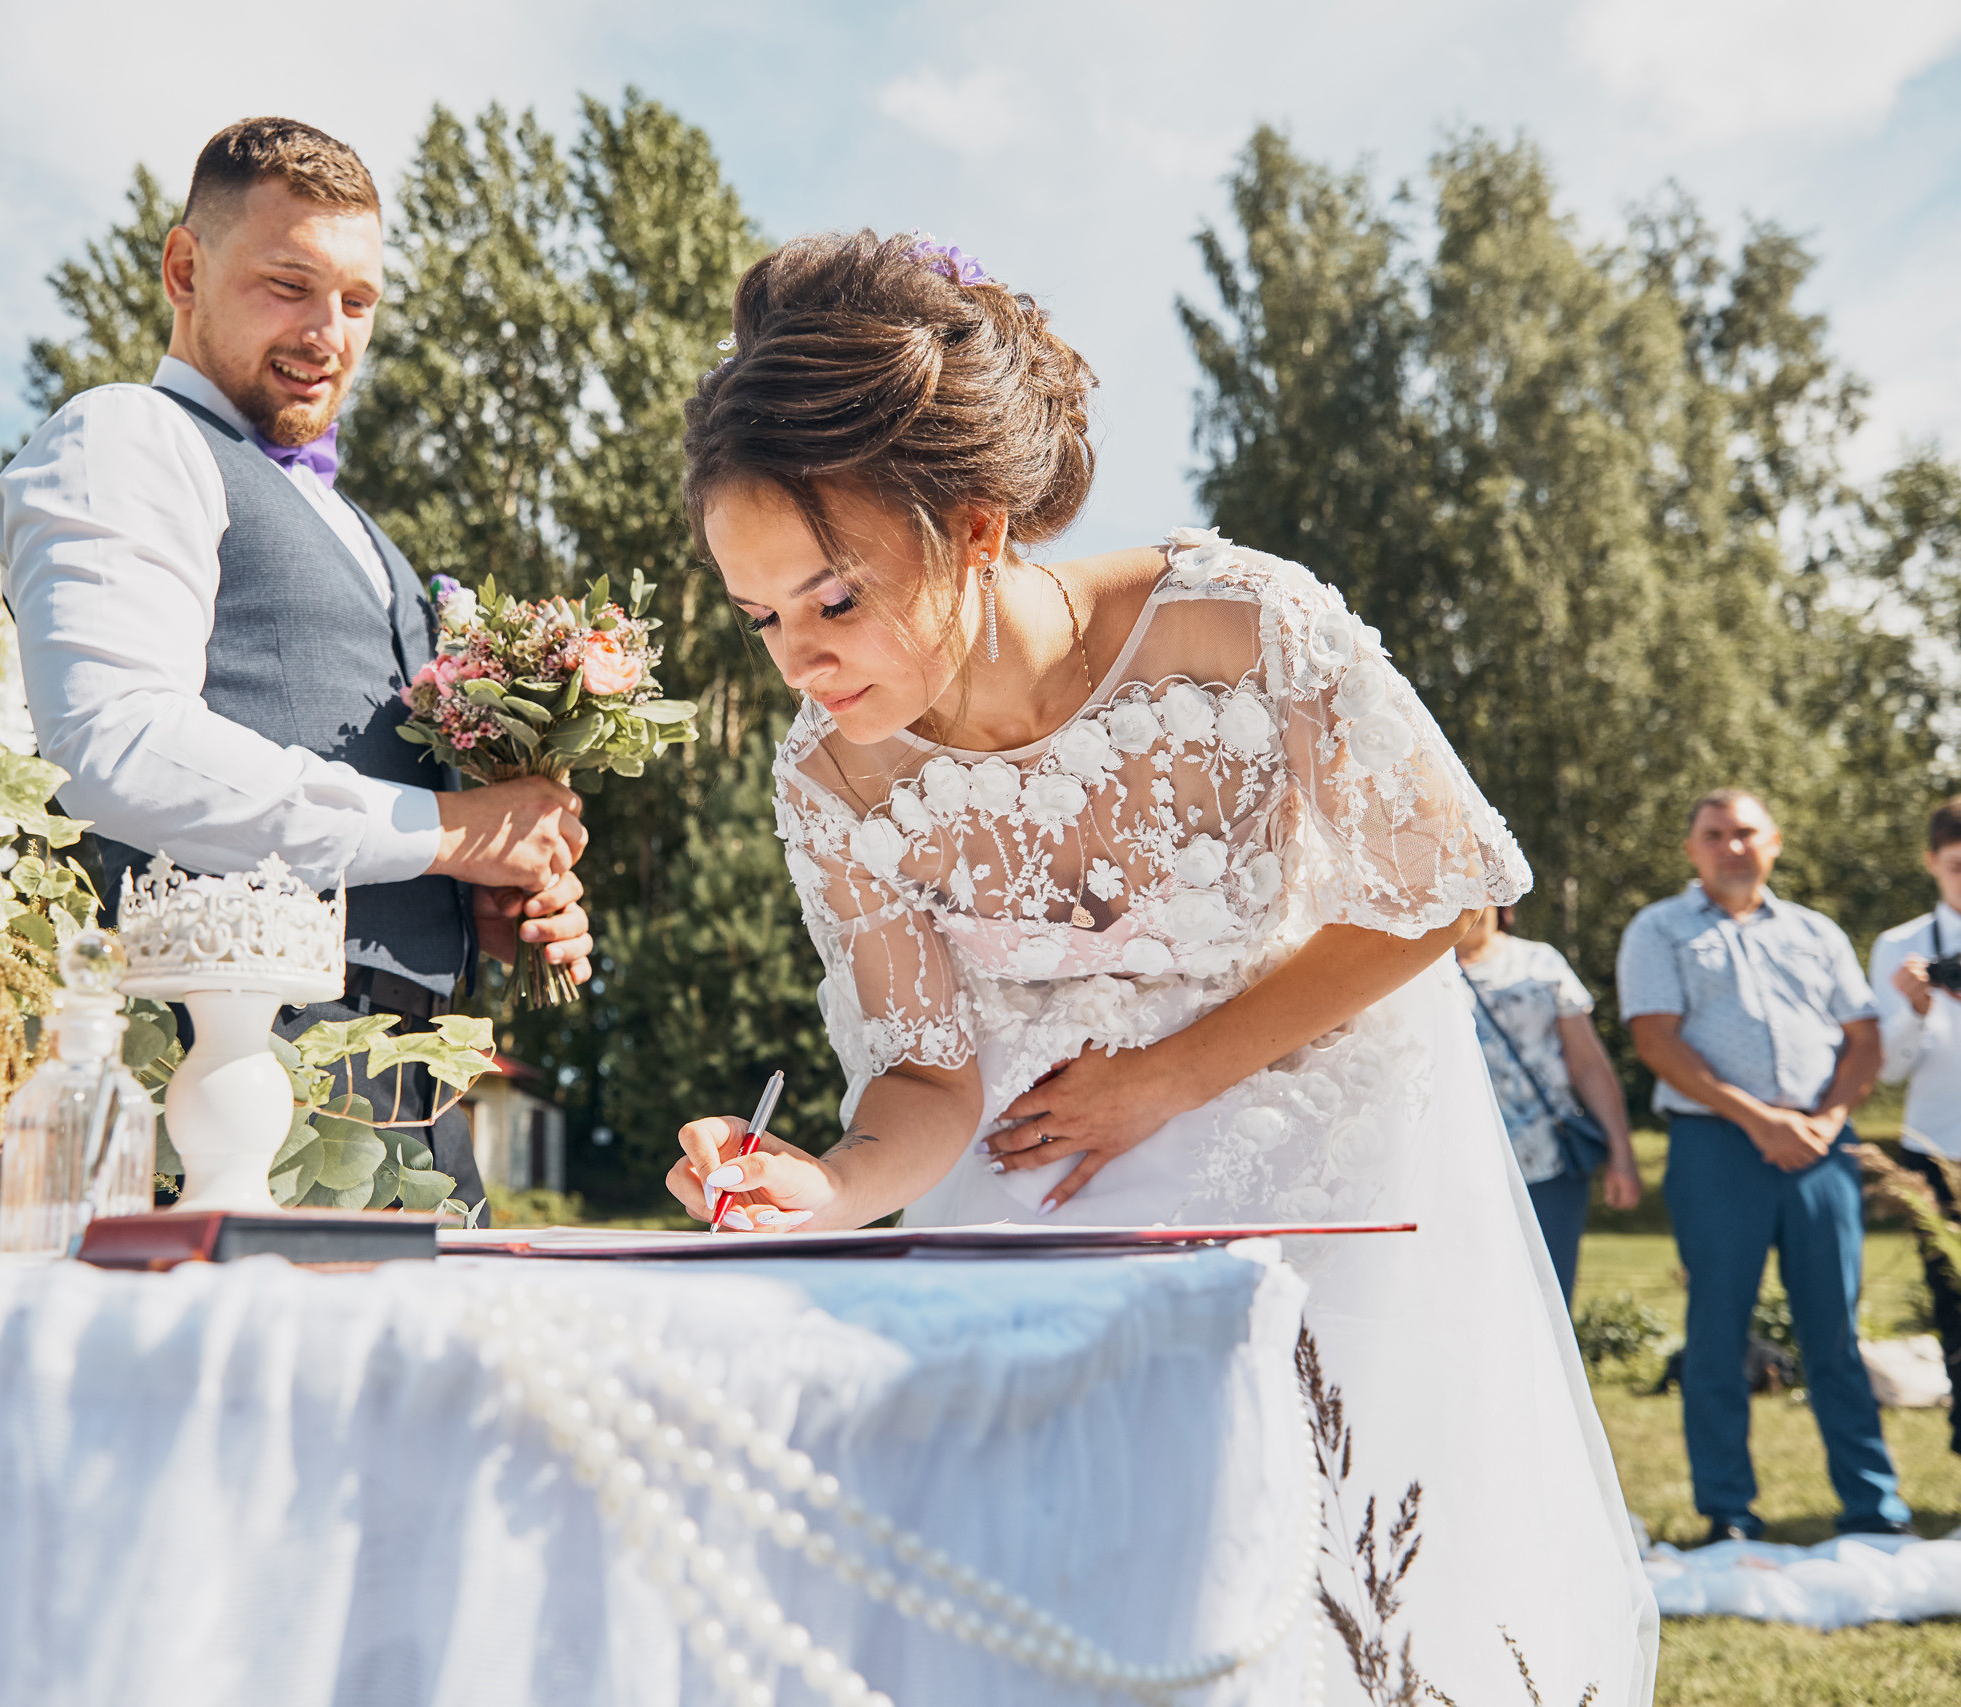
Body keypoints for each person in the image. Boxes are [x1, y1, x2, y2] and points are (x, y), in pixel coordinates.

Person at [660, 233, 1656, 1704]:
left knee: (1335, 1612)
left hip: (1327, 1204)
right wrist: (823, 1182)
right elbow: (927, 1065)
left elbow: (1442, 888)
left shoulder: (1243, 627)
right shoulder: (833, 783)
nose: (800, 660)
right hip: (1041, 1214)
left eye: (835, 598)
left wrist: (1166, 1078)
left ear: (978, 529)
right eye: (762, 618)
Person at [0, 119, 595, 1205]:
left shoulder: (370, 536)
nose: (329, 332)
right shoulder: (126, 438)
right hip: (229, 1084)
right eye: (289, 285)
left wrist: (479, 901)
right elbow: (114, 748)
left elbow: (393, 822)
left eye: (358, 301)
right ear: (185, 269)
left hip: (418, 1105)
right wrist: (452, 833)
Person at [1616, 788, 1904, 1544]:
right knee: (1718, 1332)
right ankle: (1730, 1512)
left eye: (1746, 832)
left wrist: (1826, 1121)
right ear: (1693, 849)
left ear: (1774, 843)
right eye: (1714, 834)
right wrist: (1762, 1120)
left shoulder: (1816, 932)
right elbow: (1656, 1041)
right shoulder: (1659, 929)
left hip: (1822, 1148)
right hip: (1716, 1149)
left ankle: (1873, 1509)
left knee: (1835, 1332)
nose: (1732, 846)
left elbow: (1864, 1039)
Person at [1457, 903, 1642, 1304]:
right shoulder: (1410, 969)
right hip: (1453, 1166)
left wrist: (1622, 1154)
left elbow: (1589, 1065)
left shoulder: (1540, 962)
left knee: (1548, 1298)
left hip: (1546, 1163)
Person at [1869, 794, 1961, 1452]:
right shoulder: (1899, 946)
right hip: (1937, 1149)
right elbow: (1889, 1071)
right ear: (1931, 862)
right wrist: (1913, 1009)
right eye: (1959, 865)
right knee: (1956, 1316)